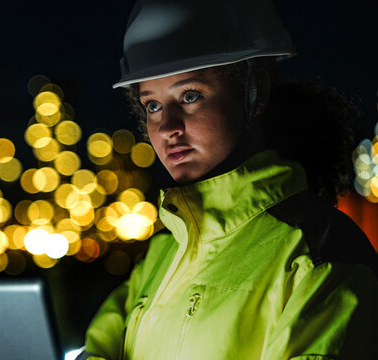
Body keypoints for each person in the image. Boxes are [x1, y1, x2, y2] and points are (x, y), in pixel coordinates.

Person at [76, 0, 378, 359]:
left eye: (190, 96)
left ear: (255, 92)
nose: (167, 127)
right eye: (152, 105)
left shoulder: (321, 257)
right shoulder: (163, 253)